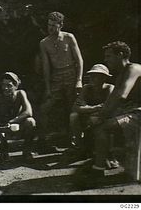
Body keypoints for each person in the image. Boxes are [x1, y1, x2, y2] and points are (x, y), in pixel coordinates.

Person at [83, 41, 141, 177]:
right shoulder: (122, 73)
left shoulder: (133, 69)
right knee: (96, 122)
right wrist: (100, 114)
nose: (105, 59)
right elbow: (113, 99)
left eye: (108, 56)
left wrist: (101, 117)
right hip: (133, 110)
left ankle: (98, 169)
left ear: (120, 55)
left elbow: (121, 95)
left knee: (102, 127)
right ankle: (106, 159)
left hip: (139, 112)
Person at [39, 11, 84, 148]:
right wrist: (47, 88)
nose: (50, 28)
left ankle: (75, 141)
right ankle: (43, 141)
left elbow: (79, 60)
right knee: (45, 108)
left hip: (71, 73)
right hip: (56, 77)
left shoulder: (69, 38)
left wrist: (79, 80)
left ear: (61, 25)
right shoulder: (44, 43)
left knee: (73, 107)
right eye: (49, 25)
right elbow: (46, 67)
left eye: (54, 25)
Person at [0, 72, 37, 162]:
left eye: (9, 85)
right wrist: (2, 127)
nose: (5, 88)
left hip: (18, 126)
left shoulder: (20, 94)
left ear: (16, 86)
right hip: (3, 128)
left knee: (30, 122)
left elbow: (28, 111)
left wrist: (13, 121)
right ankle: (4, 153)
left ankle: (27, 151)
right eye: (3, 85)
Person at [70, 64, 114, 148]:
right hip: (90, 115)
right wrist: (95, 108)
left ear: (103, 78)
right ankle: (79, 145)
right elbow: (75, 107)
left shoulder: (109, 88)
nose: (92, 79)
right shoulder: (86, 88)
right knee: (73, 116)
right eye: (91, 76)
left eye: (95, 76)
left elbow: (108, 107)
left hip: (104, 116)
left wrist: (86, 108)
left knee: (94, 120)